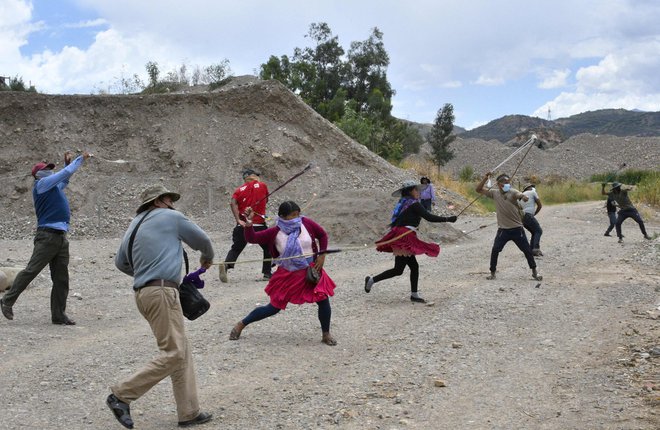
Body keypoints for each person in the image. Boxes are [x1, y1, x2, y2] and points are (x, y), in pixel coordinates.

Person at [107, 185, 215, 429]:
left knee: (181, 350)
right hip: (163, 292)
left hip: (144, 294)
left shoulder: (134, 225)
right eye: (168, 199)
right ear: (158, 201)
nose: (172, 203)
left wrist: (146, 272)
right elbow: (203, 240)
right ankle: (121, 395)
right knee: (174, 353)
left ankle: (189, 411)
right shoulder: (171, 217)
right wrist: (207, 258)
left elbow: (120, 262)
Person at [228, 201, 338, 346]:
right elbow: (252, 238)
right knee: (273, 308)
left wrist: (322, 254)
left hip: (311, 270)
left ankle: (326, 334)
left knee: (323, 299)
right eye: (292, 215)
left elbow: (322, 235)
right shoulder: (275, 232)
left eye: (298, 214)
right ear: (282, 217)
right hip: (288, 275)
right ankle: (241, 324)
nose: (297, 218)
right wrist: (249, 224)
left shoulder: (306, 223)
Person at [1, 151, 91, 325]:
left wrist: (67, 164)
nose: (49, 172)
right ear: (37, 175)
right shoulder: (41, 185)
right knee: (31, 271)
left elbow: (64, 179)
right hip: (47, 236)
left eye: (50, 169)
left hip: (60, 237)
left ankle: (58, 315)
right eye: (46, 170)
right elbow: (63, 175)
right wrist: (81, 159)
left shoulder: (52, 186)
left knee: (61, 278)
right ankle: (7, 300)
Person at [364, 179, 457, 303]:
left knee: (402, 268)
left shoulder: (403, 203)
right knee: (404, 268)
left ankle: (375, 281)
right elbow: (429, 217)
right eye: (416, 190)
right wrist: (448, 219)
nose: (418, 192)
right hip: (405, 237)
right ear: (410, 191)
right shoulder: (414, 204)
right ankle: (376, 281)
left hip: (401, 234)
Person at [476, 173, 542, 281]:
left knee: (527, 251)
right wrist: (485, 178)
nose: (508, 185)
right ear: (499, 184)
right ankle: (492, 273)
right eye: (506, 183)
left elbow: (520, 195)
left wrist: (524, 197)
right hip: (503, 230)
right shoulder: (494, 193)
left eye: (509, 183)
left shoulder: (513, 191)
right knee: (495, 250)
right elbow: (478, 190)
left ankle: (535, 272)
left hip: (517, 229)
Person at [219, 169, 272, 283]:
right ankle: (267, 273)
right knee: (268, 248)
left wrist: (238, 219)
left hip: (242, 225)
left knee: (236, 248)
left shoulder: (238, 190)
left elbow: (232, 203)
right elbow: (266, 200)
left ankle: (227, 265)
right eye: (256, 175)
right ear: (252, 176)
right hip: (258, 224)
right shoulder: (262, 186)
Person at [520, 183, 543, 256]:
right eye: (532, 187)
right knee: (538, 231)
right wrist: (534, 214)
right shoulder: (533, 192)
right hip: (529, 215)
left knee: (534, 232)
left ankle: (530, 249)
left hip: (522, 218)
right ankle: (536, 248)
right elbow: (539, 205)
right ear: (529, 188)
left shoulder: (520, 196)